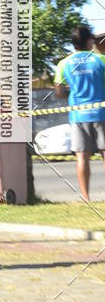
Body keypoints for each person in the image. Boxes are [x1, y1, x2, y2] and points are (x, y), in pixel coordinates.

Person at [54, 25, 105, 201]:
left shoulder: (64, 63)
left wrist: (71, 94)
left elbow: (59, 92)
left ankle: (86, 197)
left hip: (78, 116)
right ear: (89, 41)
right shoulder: (100, 60)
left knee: (82, 158)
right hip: (101, 113)